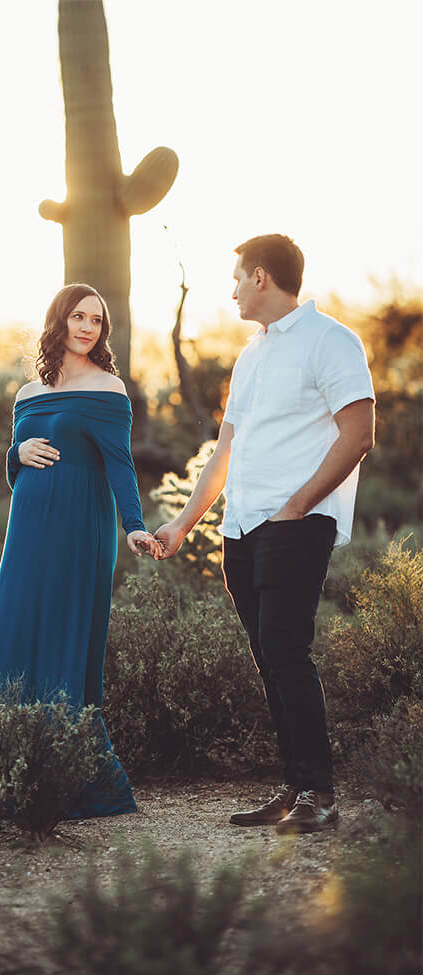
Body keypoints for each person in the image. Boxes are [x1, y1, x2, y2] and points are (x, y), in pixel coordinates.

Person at [154, 235, 374, 835]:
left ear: (259, 277)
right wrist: (183, 523)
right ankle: (297, 786)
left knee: (285, 652)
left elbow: (358, 433)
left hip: (295, 524)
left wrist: (298, 506)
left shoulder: (332, 341)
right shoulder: (249, 354)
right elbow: (224, 450)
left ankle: (320, 796)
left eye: (235, 279)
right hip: (242, 529)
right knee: (269, 660)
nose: (230, 290)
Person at [0, 283, 159, 820]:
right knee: (13, 627)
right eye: (77, 316)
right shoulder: (28, 394)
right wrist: (16, 450)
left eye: (96, 321)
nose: (87, 327)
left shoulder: (110, 389)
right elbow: (17, 469)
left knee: (64, 634)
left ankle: (73, 775)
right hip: (27, 528)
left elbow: (120, 465)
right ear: (58, 321)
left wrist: (134, 526)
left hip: (82, 525)